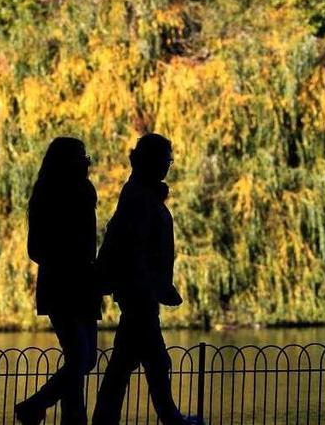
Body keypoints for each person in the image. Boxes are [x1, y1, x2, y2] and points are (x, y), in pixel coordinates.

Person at [91, 133, 194, 425]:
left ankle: (108, 420)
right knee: (154, 362)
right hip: (139, 292)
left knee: (125, 365)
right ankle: (170, 418)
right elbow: (137, 247)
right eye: (166, 159)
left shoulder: (139, 192)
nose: (168, 165)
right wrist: (154, 286)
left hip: (139, 290)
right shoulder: (140, 197)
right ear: (151, 161)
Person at [16, 137, 100, 425]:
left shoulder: (81, 191)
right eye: (80, 156)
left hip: (79, 283)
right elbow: (35, 248)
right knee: (80, 358)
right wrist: (70, 258)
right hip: (65, 284)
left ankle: (69, 417)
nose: (86, 160)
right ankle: (37, 405)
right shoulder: (49, 195)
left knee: (82, 358)